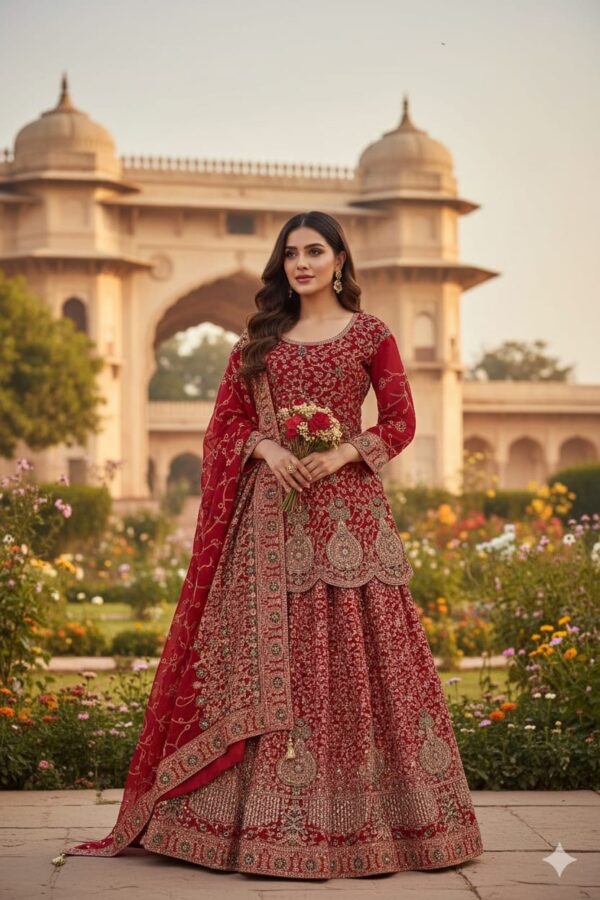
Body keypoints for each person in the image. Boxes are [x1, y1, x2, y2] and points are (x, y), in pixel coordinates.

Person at [63, 210, 484, 879]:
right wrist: (265, 446)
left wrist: (344, 451)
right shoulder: (256, 343)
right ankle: (240, 826)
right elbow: (225, 424)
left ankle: (376, 825)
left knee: (359, 659)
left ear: (339, 260)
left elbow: (401, 420)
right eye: (291, 254)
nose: (302, 264)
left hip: (349, 522)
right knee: (253, 663)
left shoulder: (371, 334)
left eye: (315, 251)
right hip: (267, 522)